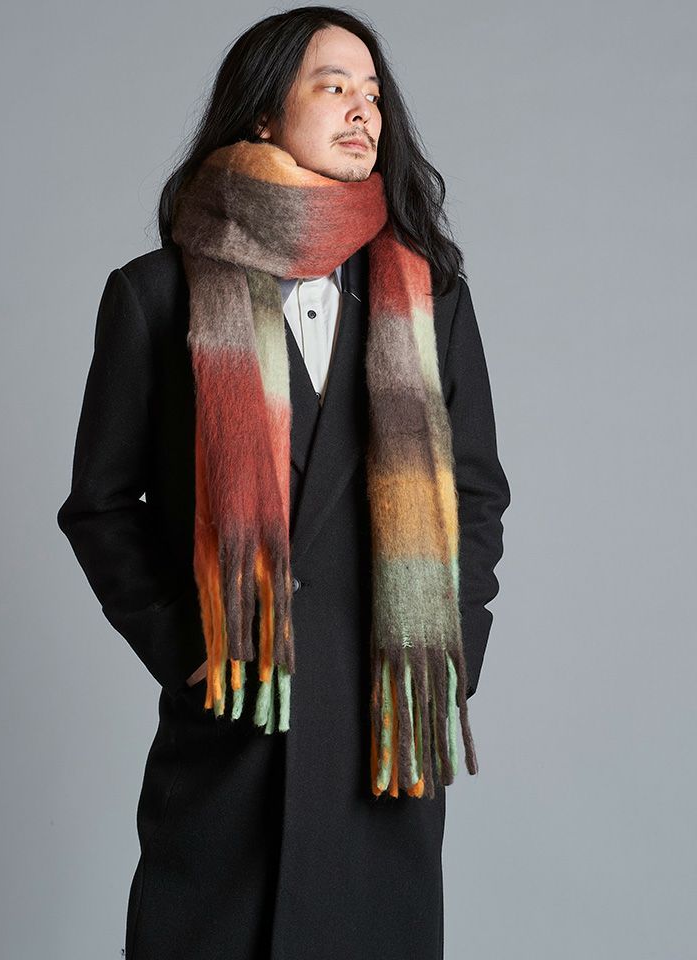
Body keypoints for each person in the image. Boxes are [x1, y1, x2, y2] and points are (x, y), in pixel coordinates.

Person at [57, 7, 511, 959]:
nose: (363, 110)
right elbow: (99, 506)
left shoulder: (432, 297)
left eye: (373, 92)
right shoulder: (155, 294)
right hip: (230, 750)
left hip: (380, 743)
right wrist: (193, 646)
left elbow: (475, 494)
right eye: (333, 86)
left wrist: (449, 654)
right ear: (264, 111)